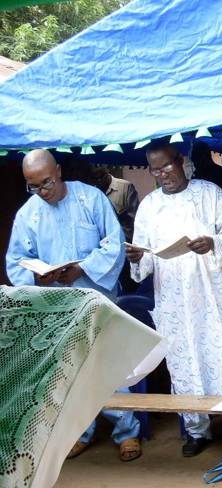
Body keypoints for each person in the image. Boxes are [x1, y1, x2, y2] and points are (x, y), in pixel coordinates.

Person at [5, 149, 141, 462]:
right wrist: (39, 276)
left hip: (96, 297)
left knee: (108, 364)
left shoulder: (91, 199)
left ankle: (127, 432)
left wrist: (82, 268)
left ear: (58, 171)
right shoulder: (28, 214)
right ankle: (80, 433)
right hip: (56, 303)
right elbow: (16, 260)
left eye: (46, 182)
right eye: (33, 186)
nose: (42, 191)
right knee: (67, 370)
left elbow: (114, 243)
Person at [126, 141, 222, 457]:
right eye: (155, 170)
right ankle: (197, 429)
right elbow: (144, 257)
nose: (162, 175)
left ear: (180, 160)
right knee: (184, 363)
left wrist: (212, 243)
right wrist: (136, 257)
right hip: (172, 297)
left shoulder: (210, 193)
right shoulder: (149, 206)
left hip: (211, 294)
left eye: (166, 166)